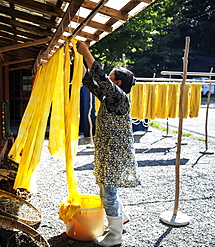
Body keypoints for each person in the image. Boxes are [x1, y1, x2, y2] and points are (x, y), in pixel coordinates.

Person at [76, 41, 139, 246]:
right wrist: (79, 59)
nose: (108, 81)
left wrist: (86, 52)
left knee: (108, 193)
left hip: (115, 153)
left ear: (118, 84)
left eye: (111, 78)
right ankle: (121, 218)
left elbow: (99, 78)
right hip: (108, 151)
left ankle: (115, 235)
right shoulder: (109, 98)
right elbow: (90, 82)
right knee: (106, 189)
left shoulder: (119, 97)